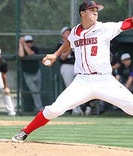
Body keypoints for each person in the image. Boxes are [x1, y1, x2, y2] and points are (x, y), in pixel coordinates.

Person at [12, 1, 133, 142]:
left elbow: (128, 23)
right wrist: (56, 54)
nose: (95, 12)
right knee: (54, 109)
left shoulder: (105, 28)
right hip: (82, 82)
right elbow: (70, 41)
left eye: (97, 10)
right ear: (82, 13)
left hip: (104, 80)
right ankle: (25, 132)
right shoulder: (75, 31)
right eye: (91, 10)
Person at [57, 26, 84, 116]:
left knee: (79, 88)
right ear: (63, 35)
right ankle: (74, 109)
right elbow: (63, 57)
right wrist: (69, 48)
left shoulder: (76, 42)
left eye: (69, 32)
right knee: (70, 88)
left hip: (77, 67)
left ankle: (79, 108)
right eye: (66, 33)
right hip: (66, 66)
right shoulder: (60, 44)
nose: (68, 34)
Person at [18, 35, 43, 113]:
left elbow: (31, 53)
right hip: (28, 75)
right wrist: (20, 44)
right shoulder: (21, 48)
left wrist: (24, 44)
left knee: (37, 91)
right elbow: (21, 55)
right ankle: (39, 108)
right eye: (27, 42)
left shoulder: (34, 48)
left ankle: (37, 108)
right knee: (34, 92)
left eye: (30, 42)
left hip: (36, 73)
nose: (29, 43)